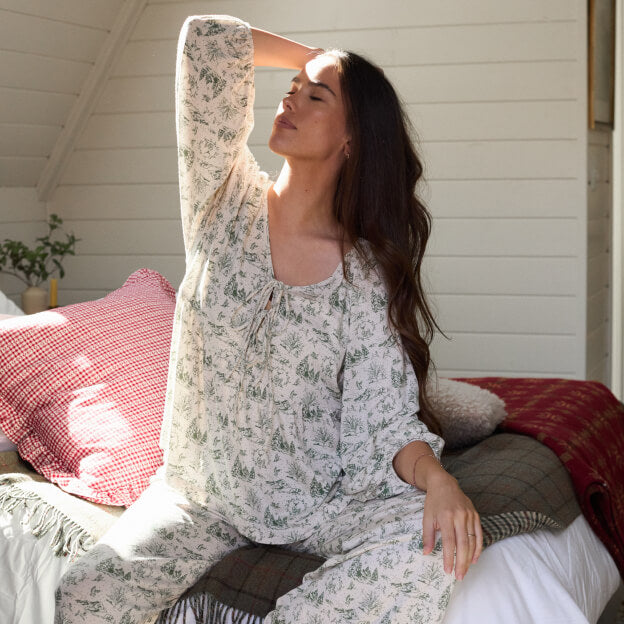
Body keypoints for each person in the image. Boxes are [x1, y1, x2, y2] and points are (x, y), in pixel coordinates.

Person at [55, 15, 482, 624]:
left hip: (322, 502)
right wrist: (316, 58)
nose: (291, 99)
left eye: (316, 97)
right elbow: (205, 41)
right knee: (83, 594)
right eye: (292, 88)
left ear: (352, 139)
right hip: (202, 497)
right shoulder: (221, 201)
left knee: (434, 551)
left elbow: (383, 419)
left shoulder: (361, 275)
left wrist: (440, 482)